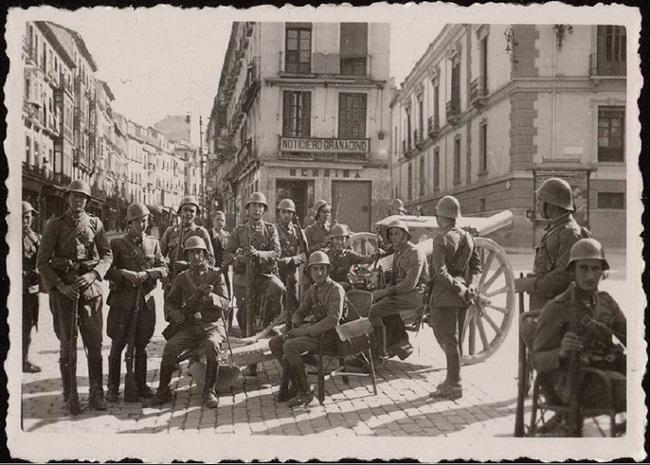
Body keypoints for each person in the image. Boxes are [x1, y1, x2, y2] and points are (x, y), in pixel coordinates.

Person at [532, 238, 626, 435]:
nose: (590, 276)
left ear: (603, 271)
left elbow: (632, 339)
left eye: (595, 269)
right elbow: (537, 359)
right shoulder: (557, 308)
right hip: (573, 384)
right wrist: (562, 351)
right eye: (583, 268)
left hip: (603, 374)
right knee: (632, 390)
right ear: (572, 271)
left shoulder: (606, 302)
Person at [36, 179, 113, 413]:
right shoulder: (54, 225)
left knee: (94, 344)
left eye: (82, 197)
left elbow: (107, 256)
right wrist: (60, 286)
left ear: (87, 201)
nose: (78, 200)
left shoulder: (95, 224)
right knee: (68, 346)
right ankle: (70, 395)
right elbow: (42, 263)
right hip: (64, 294)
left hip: (90, 293)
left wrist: (93, 276)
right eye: (74, 196)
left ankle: (97, 393)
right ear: (67, 198)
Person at [145, 236, 230, 409]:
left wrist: (211, 296)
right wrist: (175, 314)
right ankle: (163, 391)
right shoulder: (182, 278)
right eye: (191, 253)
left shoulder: (215, 275)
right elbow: (169, 302)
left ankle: (209, 391)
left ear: (205, 254)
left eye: (199, 252)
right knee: (170, 348)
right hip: (190, 326)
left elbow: (226, 303)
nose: (195, 257)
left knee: (212, 345)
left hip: (211, 325)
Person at [105, 203, 168, 403]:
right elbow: (107, 270)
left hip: (146, 303)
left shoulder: (153, 243)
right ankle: (113, 387)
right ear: (129, 223)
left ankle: (140, 384)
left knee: (141, 345)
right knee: (118, 344)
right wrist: (124, 274)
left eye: (145, 220)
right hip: (122, 303)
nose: (142, 224)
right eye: (137, 221)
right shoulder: (116, 245)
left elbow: (164, 269)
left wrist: (147, 274)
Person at [269, 251, 345, 408]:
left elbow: (333, 320)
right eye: (315, 269)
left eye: (322, 269)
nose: (319, 273)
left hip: (331, 337)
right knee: (275, 343)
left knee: (290, 346)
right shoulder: (314, 289)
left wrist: (302, 331)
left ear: (328, 270)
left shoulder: (335, 289)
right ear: (309, 271)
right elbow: (301, 311)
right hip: (316, 333)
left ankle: (306, 394)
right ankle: (298, 382)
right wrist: (295, 322)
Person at [223, 191, 285, 376]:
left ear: (264, 210)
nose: (257, 209)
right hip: (243, 279)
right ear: (247, 210)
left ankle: (267, 326)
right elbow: (227, 254)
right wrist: (239, 259)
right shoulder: (239, 231)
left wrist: (259, 254)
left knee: (278, 289)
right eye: (253, 206)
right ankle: (249, 361)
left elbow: (276, 252)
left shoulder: (270, 229)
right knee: (245, 316)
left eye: (260, 206)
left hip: (263, 275)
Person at [428, 196, 481, 400]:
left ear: (439, 215)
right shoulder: (468, 236)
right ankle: (452, 379)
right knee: (456, 340)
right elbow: (476, 266)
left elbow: (440, 273)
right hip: (464, 295)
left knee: (448, 339)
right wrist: (471, 287)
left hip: (446, 295)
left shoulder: (440, 237)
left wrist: (458, 289)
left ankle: (455, 384)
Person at [515, 177, 590, 311]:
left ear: (551, 204)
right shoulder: (557, 228)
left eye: (540, 200)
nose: (537, 204)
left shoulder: (570, 232)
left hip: (560, 310)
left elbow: (564, 276)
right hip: (547, 305)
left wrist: (530, 284)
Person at [369, 218, 428, 360]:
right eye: (391, 234)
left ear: (405, 235)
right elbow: (395, 280)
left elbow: (410, 284)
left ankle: (379, 353)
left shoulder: (415, 253)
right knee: (372, 303)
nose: (393, 237)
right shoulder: (399, 252)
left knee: (374, 312)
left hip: (414, 295)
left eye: (397, 234)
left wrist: (384, 292)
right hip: (400, 294)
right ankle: (400, 344)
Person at [160, 196, 214, 296]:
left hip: (194, 284)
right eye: (185, 210)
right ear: (179, 212)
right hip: (172, 282)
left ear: (196, 215)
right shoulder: (170, 231)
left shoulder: (201, 233)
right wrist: (165, 271)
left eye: (192, 211)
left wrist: (188, 265)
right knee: (170, 309)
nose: (188, 214)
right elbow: (159, 256)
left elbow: (211, 260)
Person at [275, 198, 308, 319]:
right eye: (283, 212)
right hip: (277, 270)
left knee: (293, 301)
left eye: (289, 212)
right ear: (279, 213)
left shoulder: (298, 231)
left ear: (293, 214)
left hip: (292, 271)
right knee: (276, 300)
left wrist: (294, 260)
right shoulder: (273, 230)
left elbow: (306, 254)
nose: (286, 215)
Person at [324, 223, 380, 291]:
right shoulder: (326, 255)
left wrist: (373, 257)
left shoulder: (349, 254)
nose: (339, 242)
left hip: (346, 287)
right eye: (337, 239)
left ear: (346, 240)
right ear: (332, 240)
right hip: (330, 287)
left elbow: (362, 259)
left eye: (342, 239)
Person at [22, 201, 41, 373]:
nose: (26, 222)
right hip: (18, 289)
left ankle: (24, 359)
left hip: (31, 288)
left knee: (29, 323)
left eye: (28, 218)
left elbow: (42, 255)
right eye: (23, 218)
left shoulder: (33, 236)